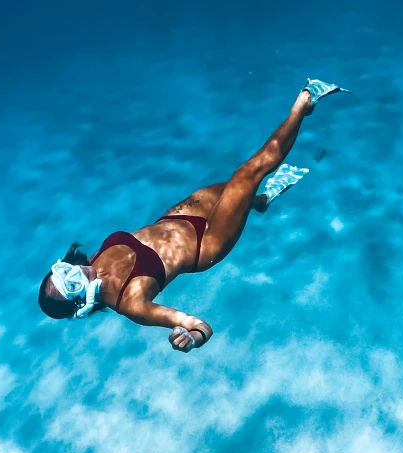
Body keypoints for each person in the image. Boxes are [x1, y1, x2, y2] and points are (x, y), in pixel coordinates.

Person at [38, 79, 351, 352]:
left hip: (183, 212)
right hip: (208, 242)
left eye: (64, 270)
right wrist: (192, 339)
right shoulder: (130, 303)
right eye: (70, 284)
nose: (74, 272)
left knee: (242, 192)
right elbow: (199, 325)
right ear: (80, 304)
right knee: (249, 171)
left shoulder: (92, 260)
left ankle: (264, 199)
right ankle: (307, 99)